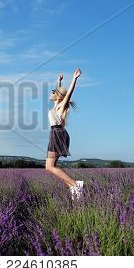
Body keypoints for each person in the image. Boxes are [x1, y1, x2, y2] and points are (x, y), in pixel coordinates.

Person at [45, 68, 84, 201]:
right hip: (56, 133)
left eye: (54, 91)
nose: (51, 92)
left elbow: (68, 94)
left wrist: (74, 78)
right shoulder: (57, 105)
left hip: (58, 134)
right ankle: (72, 186)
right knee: (51, 166)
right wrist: (59, 82)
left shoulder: (61, 106)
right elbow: (60, 94)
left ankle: (75, 185)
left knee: (49, 166)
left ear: (59, 96)